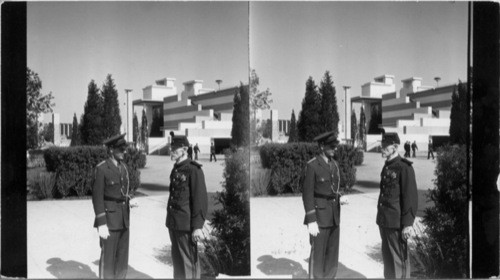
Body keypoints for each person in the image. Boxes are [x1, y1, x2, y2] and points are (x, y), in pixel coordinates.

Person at [302, 131, 348, 279]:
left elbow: (331, 189)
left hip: (334, 215)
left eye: (336, 146)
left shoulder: (334, 165)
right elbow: (307, 194)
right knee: (318, 254)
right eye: (332, 146)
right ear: (322, 146)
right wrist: (311, 220)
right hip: (320, 217)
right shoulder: (313, 166)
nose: (335, 149)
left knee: (332, 254)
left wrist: (339, 197)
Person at [92, 133, 138, 279]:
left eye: (124, 148)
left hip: (124, 219)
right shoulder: (102, 169)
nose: (124, 151)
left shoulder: (123, 168)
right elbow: (97, 198)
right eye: (120, 149)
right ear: (111, 150)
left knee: (122, 259)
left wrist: (129, 199)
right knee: (108, 259)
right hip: (110, 221)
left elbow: (121, 192)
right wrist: (101, 223)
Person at [166, 132, 208, 279]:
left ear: (184, 149)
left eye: (175, 149)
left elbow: (200, 199)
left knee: (188, 264)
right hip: (174, 224)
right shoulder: (176, 168)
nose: (171, 151)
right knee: (178, 264)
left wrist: (197, 227)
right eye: (171, 148)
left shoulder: (194, 170)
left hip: (186, 227)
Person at [377, 132, 418, 279]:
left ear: (394, 147)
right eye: (381, 145)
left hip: (396, 223)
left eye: (384, 146)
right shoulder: (388, 166)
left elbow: (410, 197)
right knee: (388, 261)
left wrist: (408, 224)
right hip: (384, 221)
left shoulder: (404, 167)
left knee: (399, 261)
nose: (382, 148)